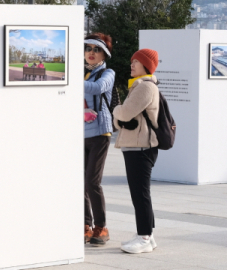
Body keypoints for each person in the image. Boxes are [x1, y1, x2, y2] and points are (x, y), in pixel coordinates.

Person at [112, 48, 160, 254]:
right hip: (137, 145)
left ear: (146, 66)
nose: (132, 65)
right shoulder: (140, 85)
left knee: (140, 194)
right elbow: (123, 118)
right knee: (140, 193)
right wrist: (120, 115)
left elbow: (123, 113)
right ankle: (148, 234)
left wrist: (116, 110)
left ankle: (144, 237)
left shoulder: (144, 87)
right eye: (131, 61)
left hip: (141, 147)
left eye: (136, 62)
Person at [83, 33, 115, 246]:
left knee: (92, 182)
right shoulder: (80, 74)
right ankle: (85, 225)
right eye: (88, 48)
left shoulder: (108, 73)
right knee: (79, 182)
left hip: (100, 133)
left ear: (104, 54)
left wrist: (66, 80)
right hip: (79, 133)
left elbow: (98, 88)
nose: (91, 53)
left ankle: (101, 227)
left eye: (97, 49)